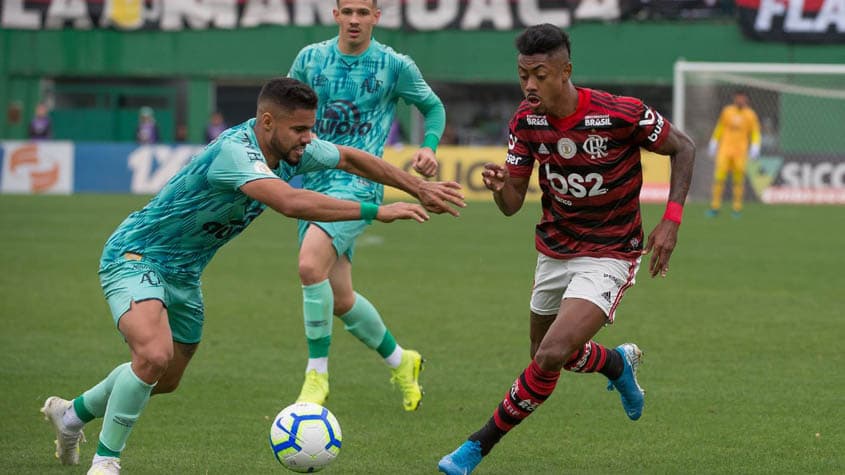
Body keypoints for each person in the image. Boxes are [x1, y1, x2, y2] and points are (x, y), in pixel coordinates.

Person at [40, 77, 464, 475]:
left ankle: (71, 414)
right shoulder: (235, 152)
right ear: (267, 122)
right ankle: (106, 462)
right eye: (299, 129)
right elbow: (291, 202)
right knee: (152, 355)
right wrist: (378, 210)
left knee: (163, 378)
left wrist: (418, 187)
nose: (308, 138)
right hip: (137, 256)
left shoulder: (294, 148)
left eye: (310, 128)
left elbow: (351, 158)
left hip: (185, 274)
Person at [437, 24, 695, 475]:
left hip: (612, 250)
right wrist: (500, 188)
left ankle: (476, 446)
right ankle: (616, 363)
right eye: (523, 76)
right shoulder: (525, 121)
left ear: (565, 71)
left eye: (539, 74)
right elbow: (512, 205)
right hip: (554, 248)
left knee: (551, 353)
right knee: (545, 353)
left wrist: (670, 221)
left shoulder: (619, 113)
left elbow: (684, 147)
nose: (530, 85)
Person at [286, 0, 446, 411]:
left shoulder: (395, 65)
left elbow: (433, 107)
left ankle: (316, 375)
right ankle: (402, 360)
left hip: (360, 184)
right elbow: (284, 112)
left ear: (377, 16)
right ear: (335, 14)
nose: (355, 19)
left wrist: (428, 148)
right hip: (314, 186)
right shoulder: (310, 59)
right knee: (339, 298)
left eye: (363, 11)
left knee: (308, 266)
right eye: (348, 11)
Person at [706, 90, 761, 218]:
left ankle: (737, 208)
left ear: (746, 100)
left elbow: (755, 132)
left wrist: (755, 145)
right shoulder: (727, 111)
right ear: (734, 98)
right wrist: (714, 141)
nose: (740, 100)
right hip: (725, 149)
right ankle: (715, 207)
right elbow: (720, 127)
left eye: (743, 98)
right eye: (738, 98)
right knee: (719, 177)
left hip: (740, 151)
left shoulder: (750, 115)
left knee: (738, 179)